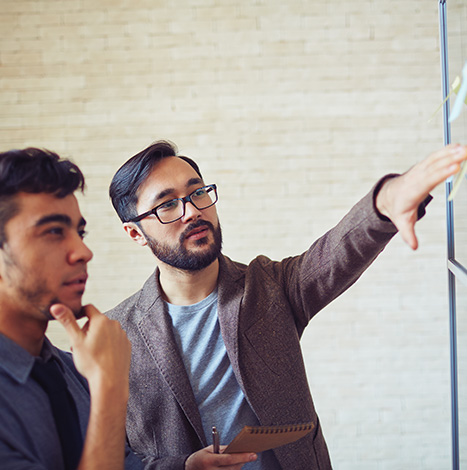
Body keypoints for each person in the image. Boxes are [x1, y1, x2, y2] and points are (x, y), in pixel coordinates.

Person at [107, 140, 467, 470]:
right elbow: (109, 457)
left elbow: (333, 255)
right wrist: (183, 468)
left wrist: (384, 204)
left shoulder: (268, 288)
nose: (191, 211)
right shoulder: (112, 336)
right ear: (135, 232)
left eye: (197, 192)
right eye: (167, 203)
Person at [0, 148, 142, 470]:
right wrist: (110, 388)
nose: (83, 251)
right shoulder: (99, 376)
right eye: (53, 232)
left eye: (79, 232)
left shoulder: (72, 369)